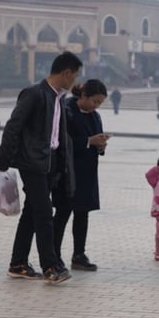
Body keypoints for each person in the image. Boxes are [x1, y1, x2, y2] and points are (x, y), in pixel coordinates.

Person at [0, 51, 82, 284]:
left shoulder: (58, 98)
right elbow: (14, 125)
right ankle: (51, 267)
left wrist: (62, 164)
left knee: (32, 213)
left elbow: (58, 135)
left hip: (49, 163)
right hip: (32, 163)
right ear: (66, 73)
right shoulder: (34, 94)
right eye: (74, 75)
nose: (75, 80)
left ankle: (18, 263)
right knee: (44, 212)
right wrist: (3, 159)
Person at [53, 79, 109, 271]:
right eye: (95, 101)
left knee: (82, 214)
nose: (96, 106)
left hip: (87, 173)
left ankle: (79, 254)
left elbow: (96, 141)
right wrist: (87, 141)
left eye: (100, 103)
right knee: (62, 214)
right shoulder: (66, 111)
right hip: (67, 172)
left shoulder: (95, 116)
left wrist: (101, 145)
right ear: (83, 96)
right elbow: (60, 141)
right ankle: (53, 256)